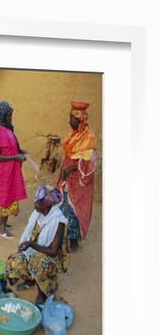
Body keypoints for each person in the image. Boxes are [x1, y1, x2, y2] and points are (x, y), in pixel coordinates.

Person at [5, 185, 70, 304]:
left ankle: (44, 293)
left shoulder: (58, 222)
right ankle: (30, 280)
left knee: (37, 264)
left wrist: (31, 244)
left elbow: (53, 251)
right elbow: (29, 233)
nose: (34, 204)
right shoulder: (37, 214)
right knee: (16, 260)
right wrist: (26, 246)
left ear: (45, 205)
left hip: (50, 258)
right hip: (34, 250)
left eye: (37, 202)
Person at [57, 101, 97, 252]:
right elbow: (70, 154)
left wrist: (71, 168)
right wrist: (65, 169)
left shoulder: (89, 137)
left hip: (80, 181)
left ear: (80, 120)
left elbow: (89, 161)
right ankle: (64, 237)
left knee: (76, 209)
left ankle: (73, 241)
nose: (69, 121)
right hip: (68, 178)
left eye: (72, 119)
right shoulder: (73, 135)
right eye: (69, 118)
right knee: (65, 205)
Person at [0, 101, 28, 238]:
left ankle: (2, 222)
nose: (10, 118)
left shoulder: (8, 130)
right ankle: (2, 227)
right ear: (2, 116)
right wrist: (16, 157)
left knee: (10, 195)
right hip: (3, 172)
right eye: (9, 116)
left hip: (10, 171)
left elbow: (10, 148)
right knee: (7, 197)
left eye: (11, 115)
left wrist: (20, 151)